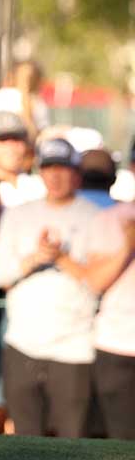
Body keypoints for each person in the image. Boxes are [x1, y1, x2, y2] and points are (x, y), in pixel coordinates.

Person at [0, 138, 103, 437]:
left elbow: (100, 280)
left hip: (74, 347)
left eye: (63, 168)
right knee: (25, 439)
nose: (55, 176)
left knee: (71, 438)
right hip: (22, 344)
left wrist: (62, 258)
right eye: (48, 168)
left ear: (76, 174)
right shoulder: (18, 215)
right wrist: (36, 258)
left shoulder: (95, 217)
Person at [81, 162, 135, 440]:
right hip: (117, 346)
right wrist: (127, 246)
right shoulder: (110, 219)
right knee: (121, 443)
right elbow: (95, 281)